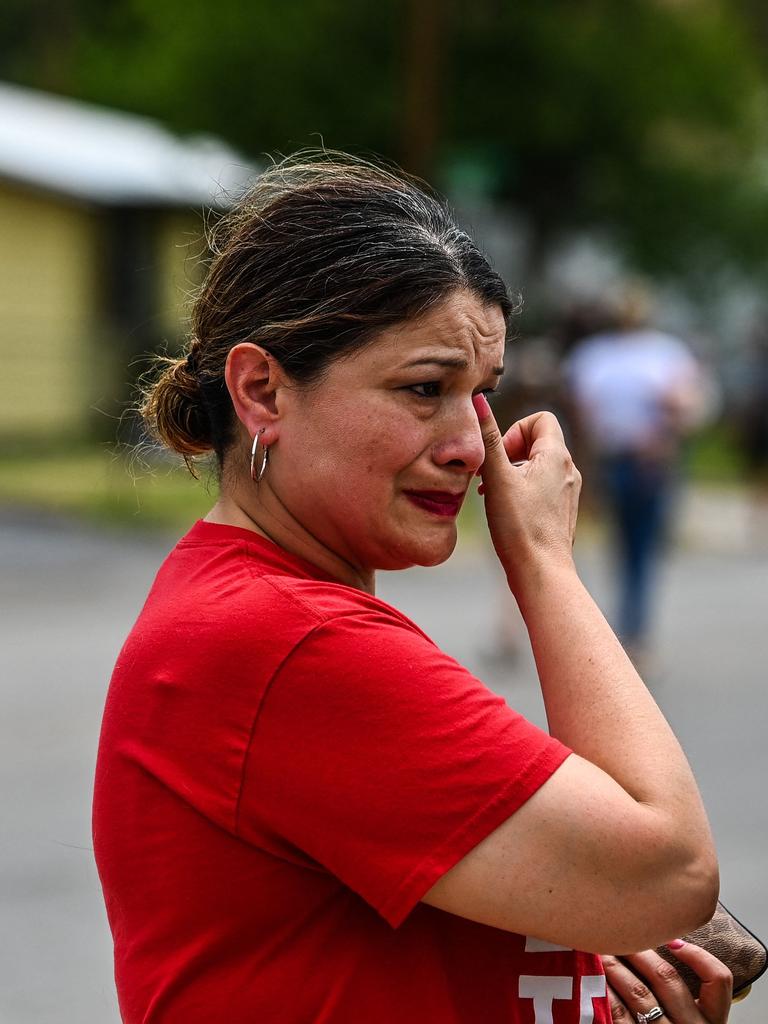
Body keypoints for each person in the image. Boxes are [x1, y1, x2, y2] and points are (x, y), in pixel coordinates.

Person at [92, 155, 728, 1023]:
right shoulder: (286, 642)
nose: (471, 443)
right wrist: (543, 560)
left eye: (482, 394)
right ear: (261, 390)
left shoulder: (272, 612)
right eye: (424, 389)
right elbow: (667, 875)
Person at [565, 286, 709, 664]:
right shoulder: (596, 355)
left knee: (642, 547)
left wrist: (671, 419)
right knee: (621, 544)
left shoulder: (663, 353)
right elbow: (581, 417)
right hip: (611, 458)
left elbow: (692, 406)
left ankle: (635, 632)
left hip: (651, 460)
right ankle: (627, 628)